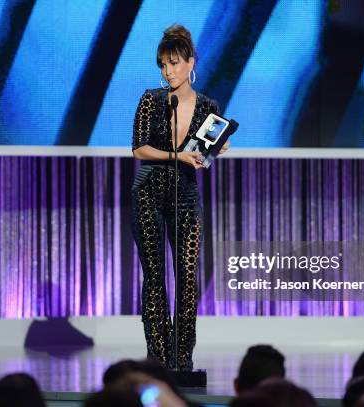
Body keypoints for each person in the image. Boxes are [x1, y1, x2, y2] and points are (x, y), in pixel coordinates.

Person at [131, 23, 228, 371]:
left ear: (190, 63)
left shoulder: (208, 106)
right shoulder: (151, 100)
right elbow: (139, 150)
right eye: (163, 64)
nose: (168, 71)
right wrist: (177, 157)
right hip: (147, 194)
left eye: (174, 63)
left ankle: (182, 359)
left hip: (186, 196)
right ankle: (158, 360)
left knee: (188, 277)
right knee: (155, 276)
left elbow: (202, 157)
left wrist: (213, 150)